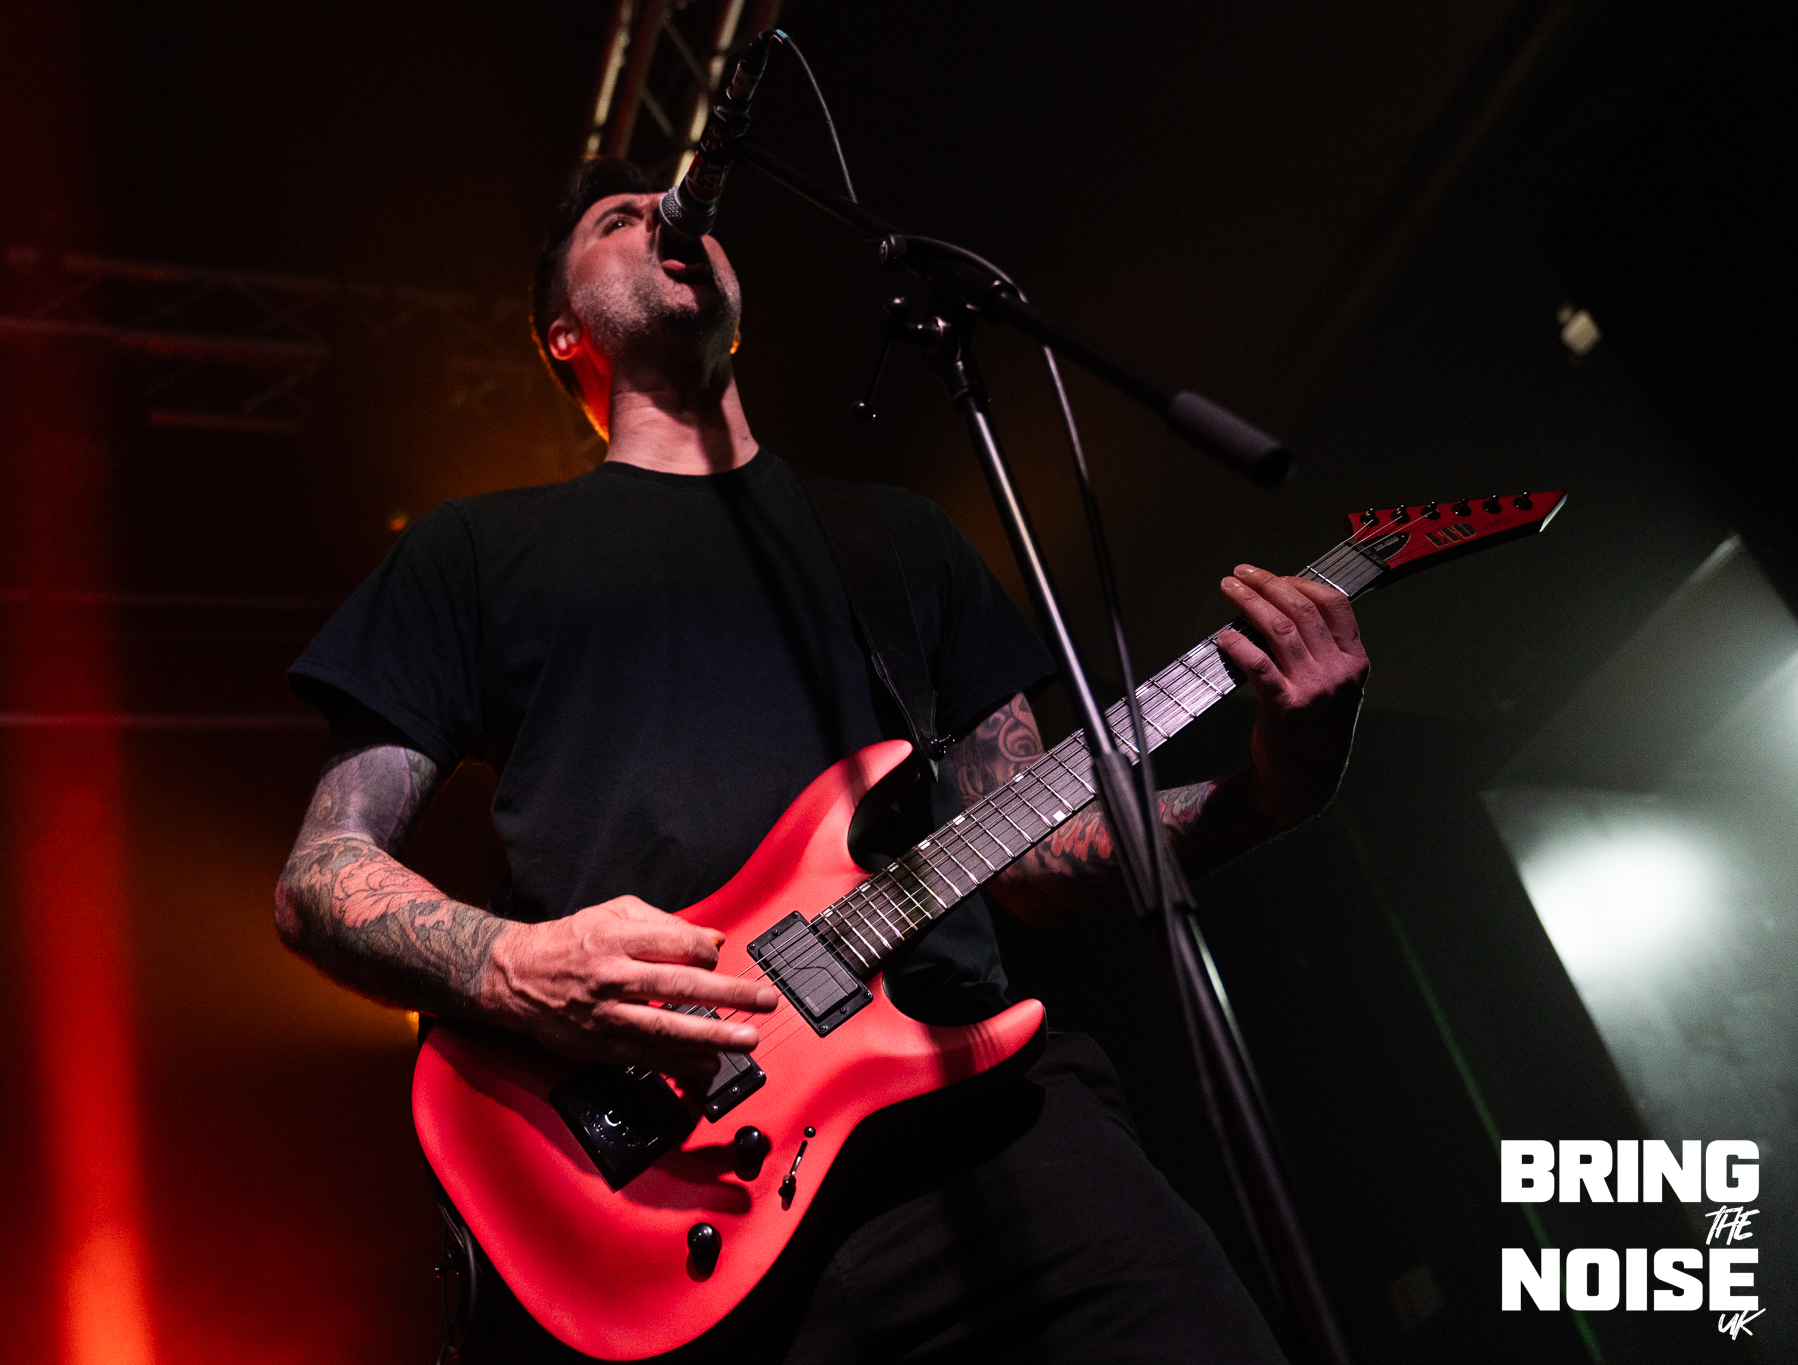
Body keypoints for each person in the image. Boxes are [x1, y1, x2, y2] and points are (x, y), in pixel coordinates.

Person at [276, 157, 1369, 1363]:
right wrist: (512, 964)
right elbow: (321, 876)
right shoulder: (472, 554)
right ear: (561, 334)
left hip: (987, 1133)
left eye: (679, 211)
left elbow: (1035, 847)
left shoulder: (894, 538)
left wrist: (1268, 790)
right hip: (678, 1187)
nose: (669, 221)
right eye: (618, 220)